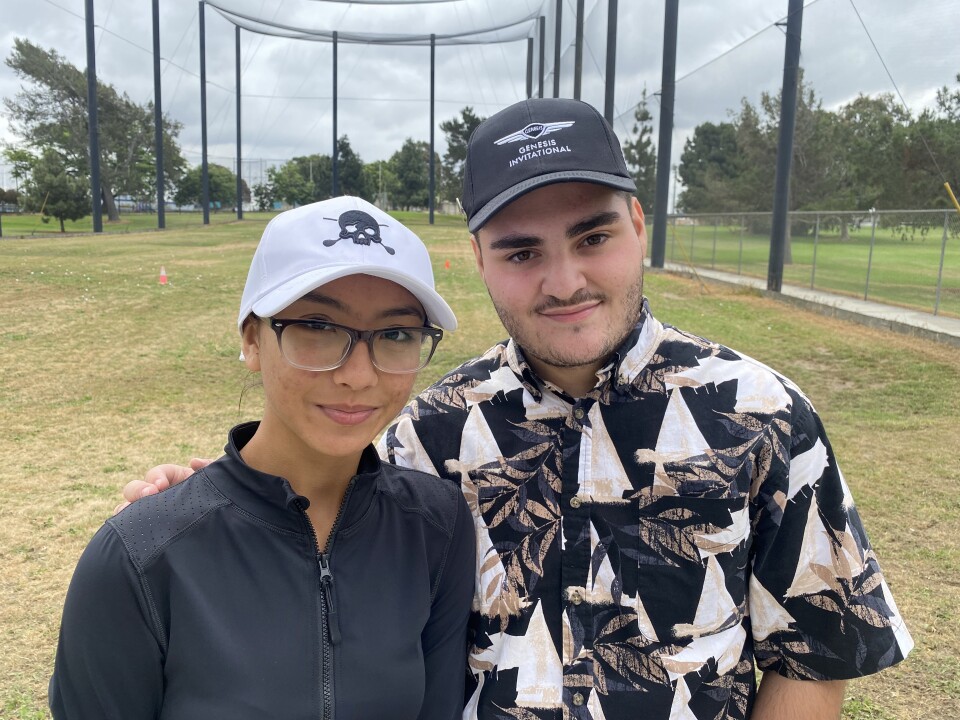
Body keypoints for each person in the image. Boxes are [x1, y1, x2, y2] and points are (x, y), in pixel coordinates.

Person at [123, 99, 913, 719]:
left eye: (592, 236)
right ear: (479, 260)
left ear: (639, 227)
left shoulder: (763, 414)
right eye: (522, 250)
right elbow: (303, 531)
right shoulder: (426, 434)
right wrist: (193, 497)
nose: (563, 280)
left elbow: (818, 651)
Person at [51, 196, 475, 719]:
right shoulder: (139, 557)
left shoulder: (437, 526)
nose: (359, 375)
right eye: (319, 327)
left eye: (395, 335)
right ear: (252, 339)